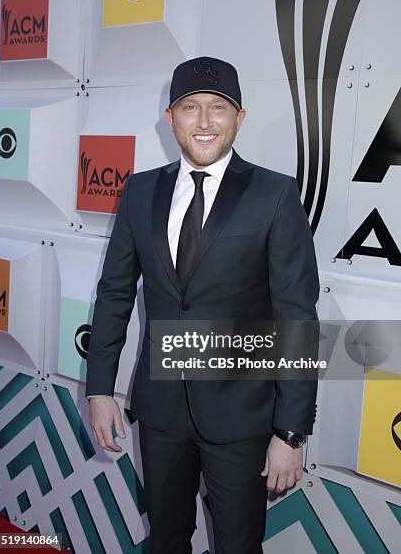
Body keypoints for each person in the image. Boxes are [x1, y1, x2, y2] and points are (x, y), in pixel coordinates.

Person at [85, 56, 320, 554]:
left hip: (243, 417)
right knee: (165, 539)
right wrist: (100, 389)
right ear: (170, 118)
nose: (205, 121)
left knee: (238, 545)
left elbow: (296, 317)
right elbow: (114, 293)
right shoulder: (139, 190)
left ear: (240, 118)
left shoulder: (275, 194)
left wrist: (292, 432)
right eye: (190, 107)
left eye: (219, 108)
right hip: (161, 410)